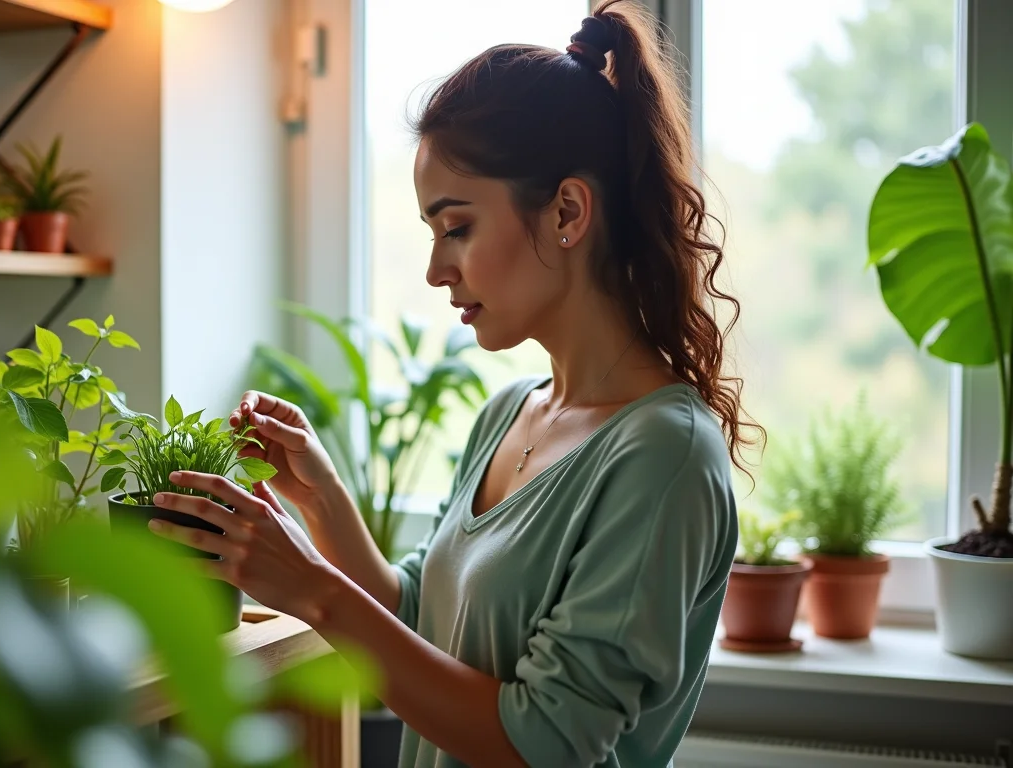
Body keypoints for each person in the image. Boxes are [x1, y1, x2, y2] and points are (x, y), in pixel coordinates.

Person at [148, 1, 759, 765]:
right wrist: (323, 498)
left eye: (457, 227)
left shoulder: (664, 457)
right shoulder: (510, 413)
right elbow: (427, 622)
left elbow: (545, 740)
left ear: (568, 210)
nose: (437, 270)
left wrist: (311, 590)